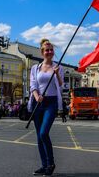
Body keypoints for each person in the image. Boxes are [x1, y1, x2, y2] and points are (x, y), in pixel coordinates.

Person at [28, 39, 64, 176]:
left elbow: (60, 85)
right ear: (42, 52)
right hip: (39, 103)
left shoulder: (58, 67)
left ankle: (51, 163)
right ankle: (44, 165)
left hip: (52, 103)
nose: (49, 52)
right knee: (39, 137)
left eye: (51, 50)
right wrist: (37, 97)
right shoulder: (35, 68)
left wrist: (56, 74)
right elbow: (33, 86)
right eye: (46, 50)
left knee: (43, 133)